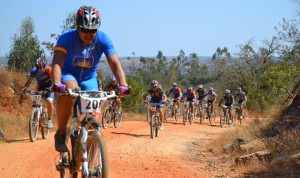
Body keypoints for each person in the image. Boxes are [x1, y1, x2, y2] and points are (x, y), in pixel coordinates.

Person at [51, 6, 129, 153]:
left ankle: (92, 155)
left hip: (89, 78)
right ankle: (61, 132)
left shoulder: (103, 39)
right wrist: (56, 83)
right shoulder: (66, 38)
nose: (88, 34)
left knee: (93, 120)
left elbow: (114, 63)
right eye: (84, 30)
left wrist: (123, 84)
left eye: (92, 30)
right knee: (70, 92)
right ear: (77, 27)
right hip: (68, 74)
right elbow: (57, 63)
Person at [22, 57, 54, 128]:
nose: (40, 71)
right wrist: (25, 87)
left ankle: (49, 120)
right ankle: (35, 117)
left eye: (42, 69)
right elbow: (29, 81)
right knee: (36, 101)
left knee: (49, 101)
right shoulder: (34, 70)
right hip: (40, 86)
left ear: (44, 67)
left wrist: (53, 88)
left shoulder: (49, 70)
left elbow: (53, 81)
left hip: (49, 86)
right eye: (38, 69)